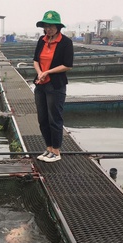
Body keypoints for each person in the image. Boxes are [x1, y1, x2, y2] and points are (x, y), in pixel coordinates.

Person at [33, 11, 73, 163]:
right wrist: (39, 73)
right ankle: (48, 148)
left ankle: (56, 151)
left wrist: (48, 72)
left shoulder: (65, 42)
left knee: (54, 118)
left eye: (51, 26)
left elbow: (67, 65)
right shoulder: (42, 41)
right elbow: (35, 60)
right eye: (45, 26)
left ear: (58, 27)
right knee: (42, 118)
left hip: (55, 85)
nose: (48, 29)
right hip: (41, 84)